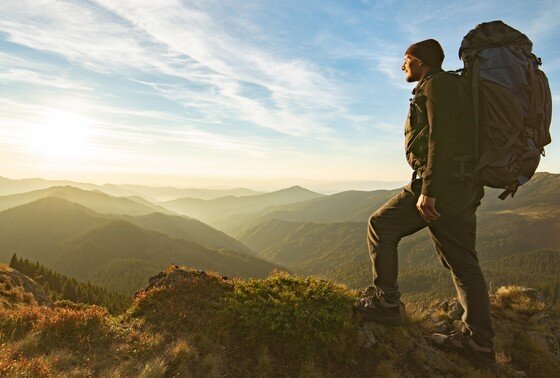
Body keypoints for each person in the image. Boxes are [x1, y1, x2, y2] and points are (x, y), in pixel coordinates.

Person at [352, 39, 497, 372]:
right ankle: (479, 344)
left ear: (419, 60)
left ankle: (386, 302)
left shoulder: (438, 85)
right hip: (462, 185)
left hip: (440, 185)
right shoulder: (451, 87)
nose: (402, 65)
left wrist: (428, 190)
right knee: (462, 262)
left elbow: (439, 138)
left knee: (380, 225)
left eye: (406, 58)